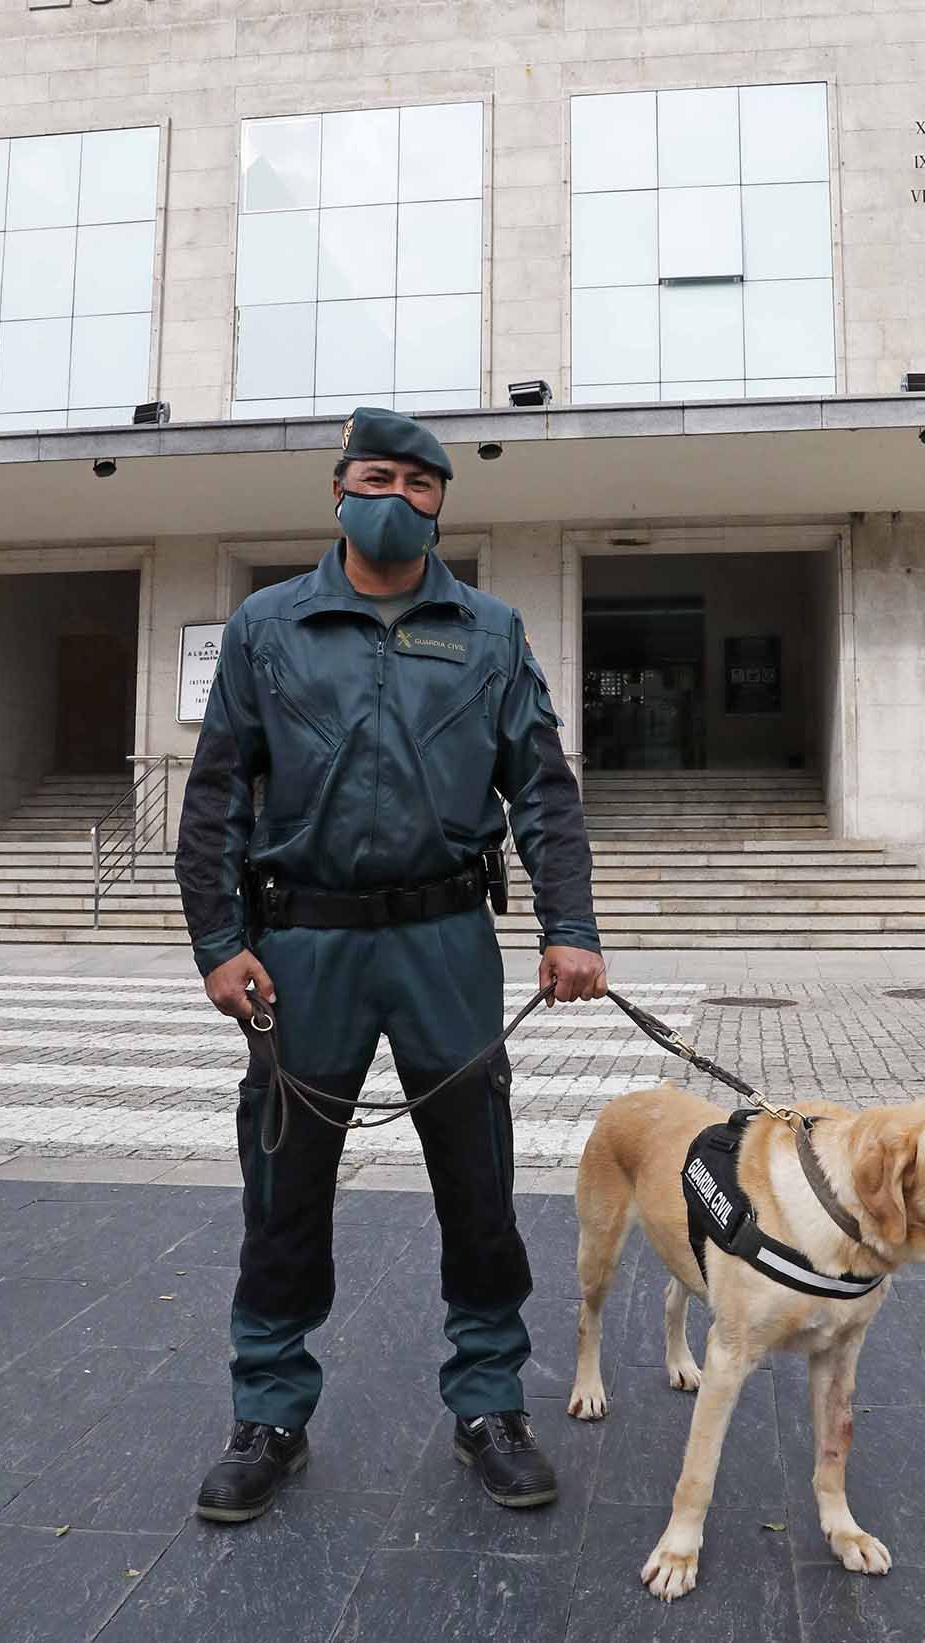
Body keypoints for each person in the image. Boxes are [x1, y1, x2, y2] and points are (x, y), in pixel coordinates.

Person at [174, 406, 606, 1524]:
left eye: (422, 484)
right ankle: (268, 1412)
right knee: (283, 1191)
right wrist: (219, 944)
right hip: (299, 947)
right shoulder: (269, 627)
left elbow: (543, 794)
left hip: (444, 944)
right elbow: (216, 794)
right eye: (379, 476)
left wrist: (572, 926)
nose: (400, 497)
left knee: (477, 1185)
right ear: (338, 492)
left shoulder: (491, 631)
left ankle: (489, 1404)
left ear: (440, 506)